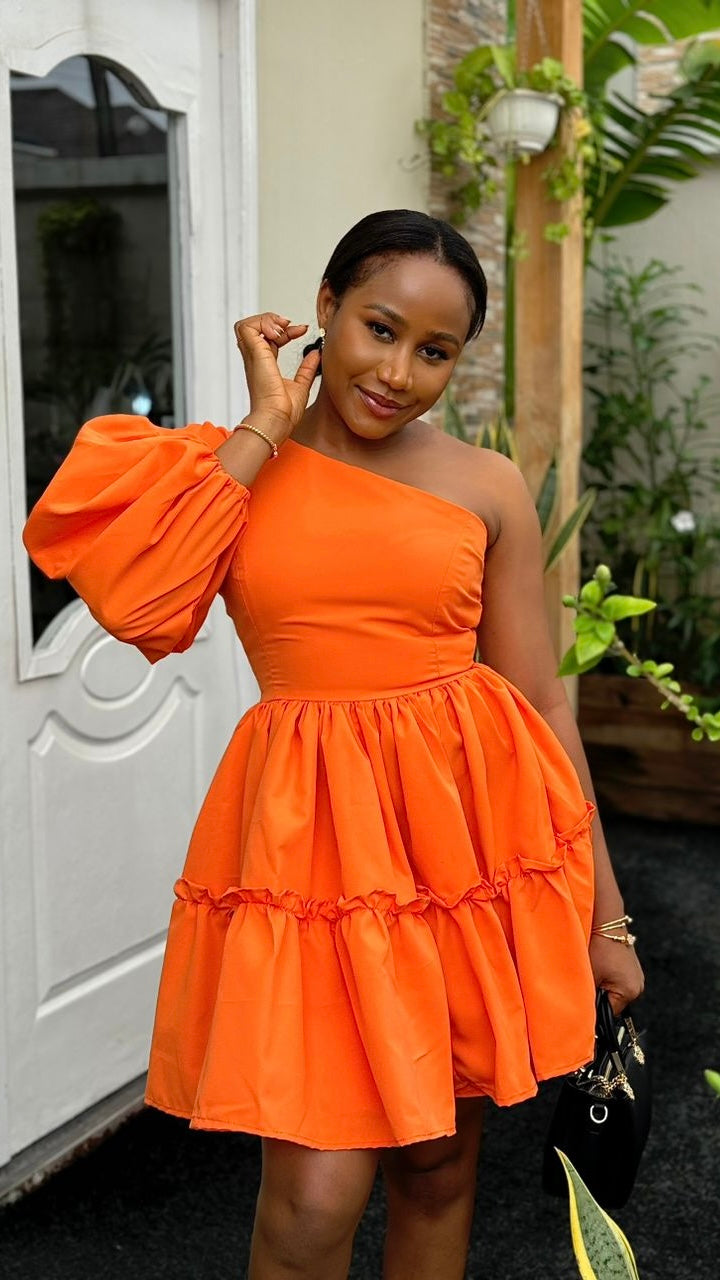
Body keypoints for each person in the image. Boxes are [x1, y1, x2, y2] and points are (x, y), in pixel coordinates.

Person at [23, 209, 644, 1280]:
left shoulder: (487, 483)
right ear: (325, 307)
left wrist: (608, 916)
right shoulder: (228, 468)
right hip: (308, 857)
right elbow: (143, 603)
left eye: (434, 351)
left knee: (440, 1163)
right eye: (379, 328)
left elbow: (541, 706)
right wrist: (265, 423)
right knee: (311, 1203)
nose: (398, 373)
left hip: (459, 849)